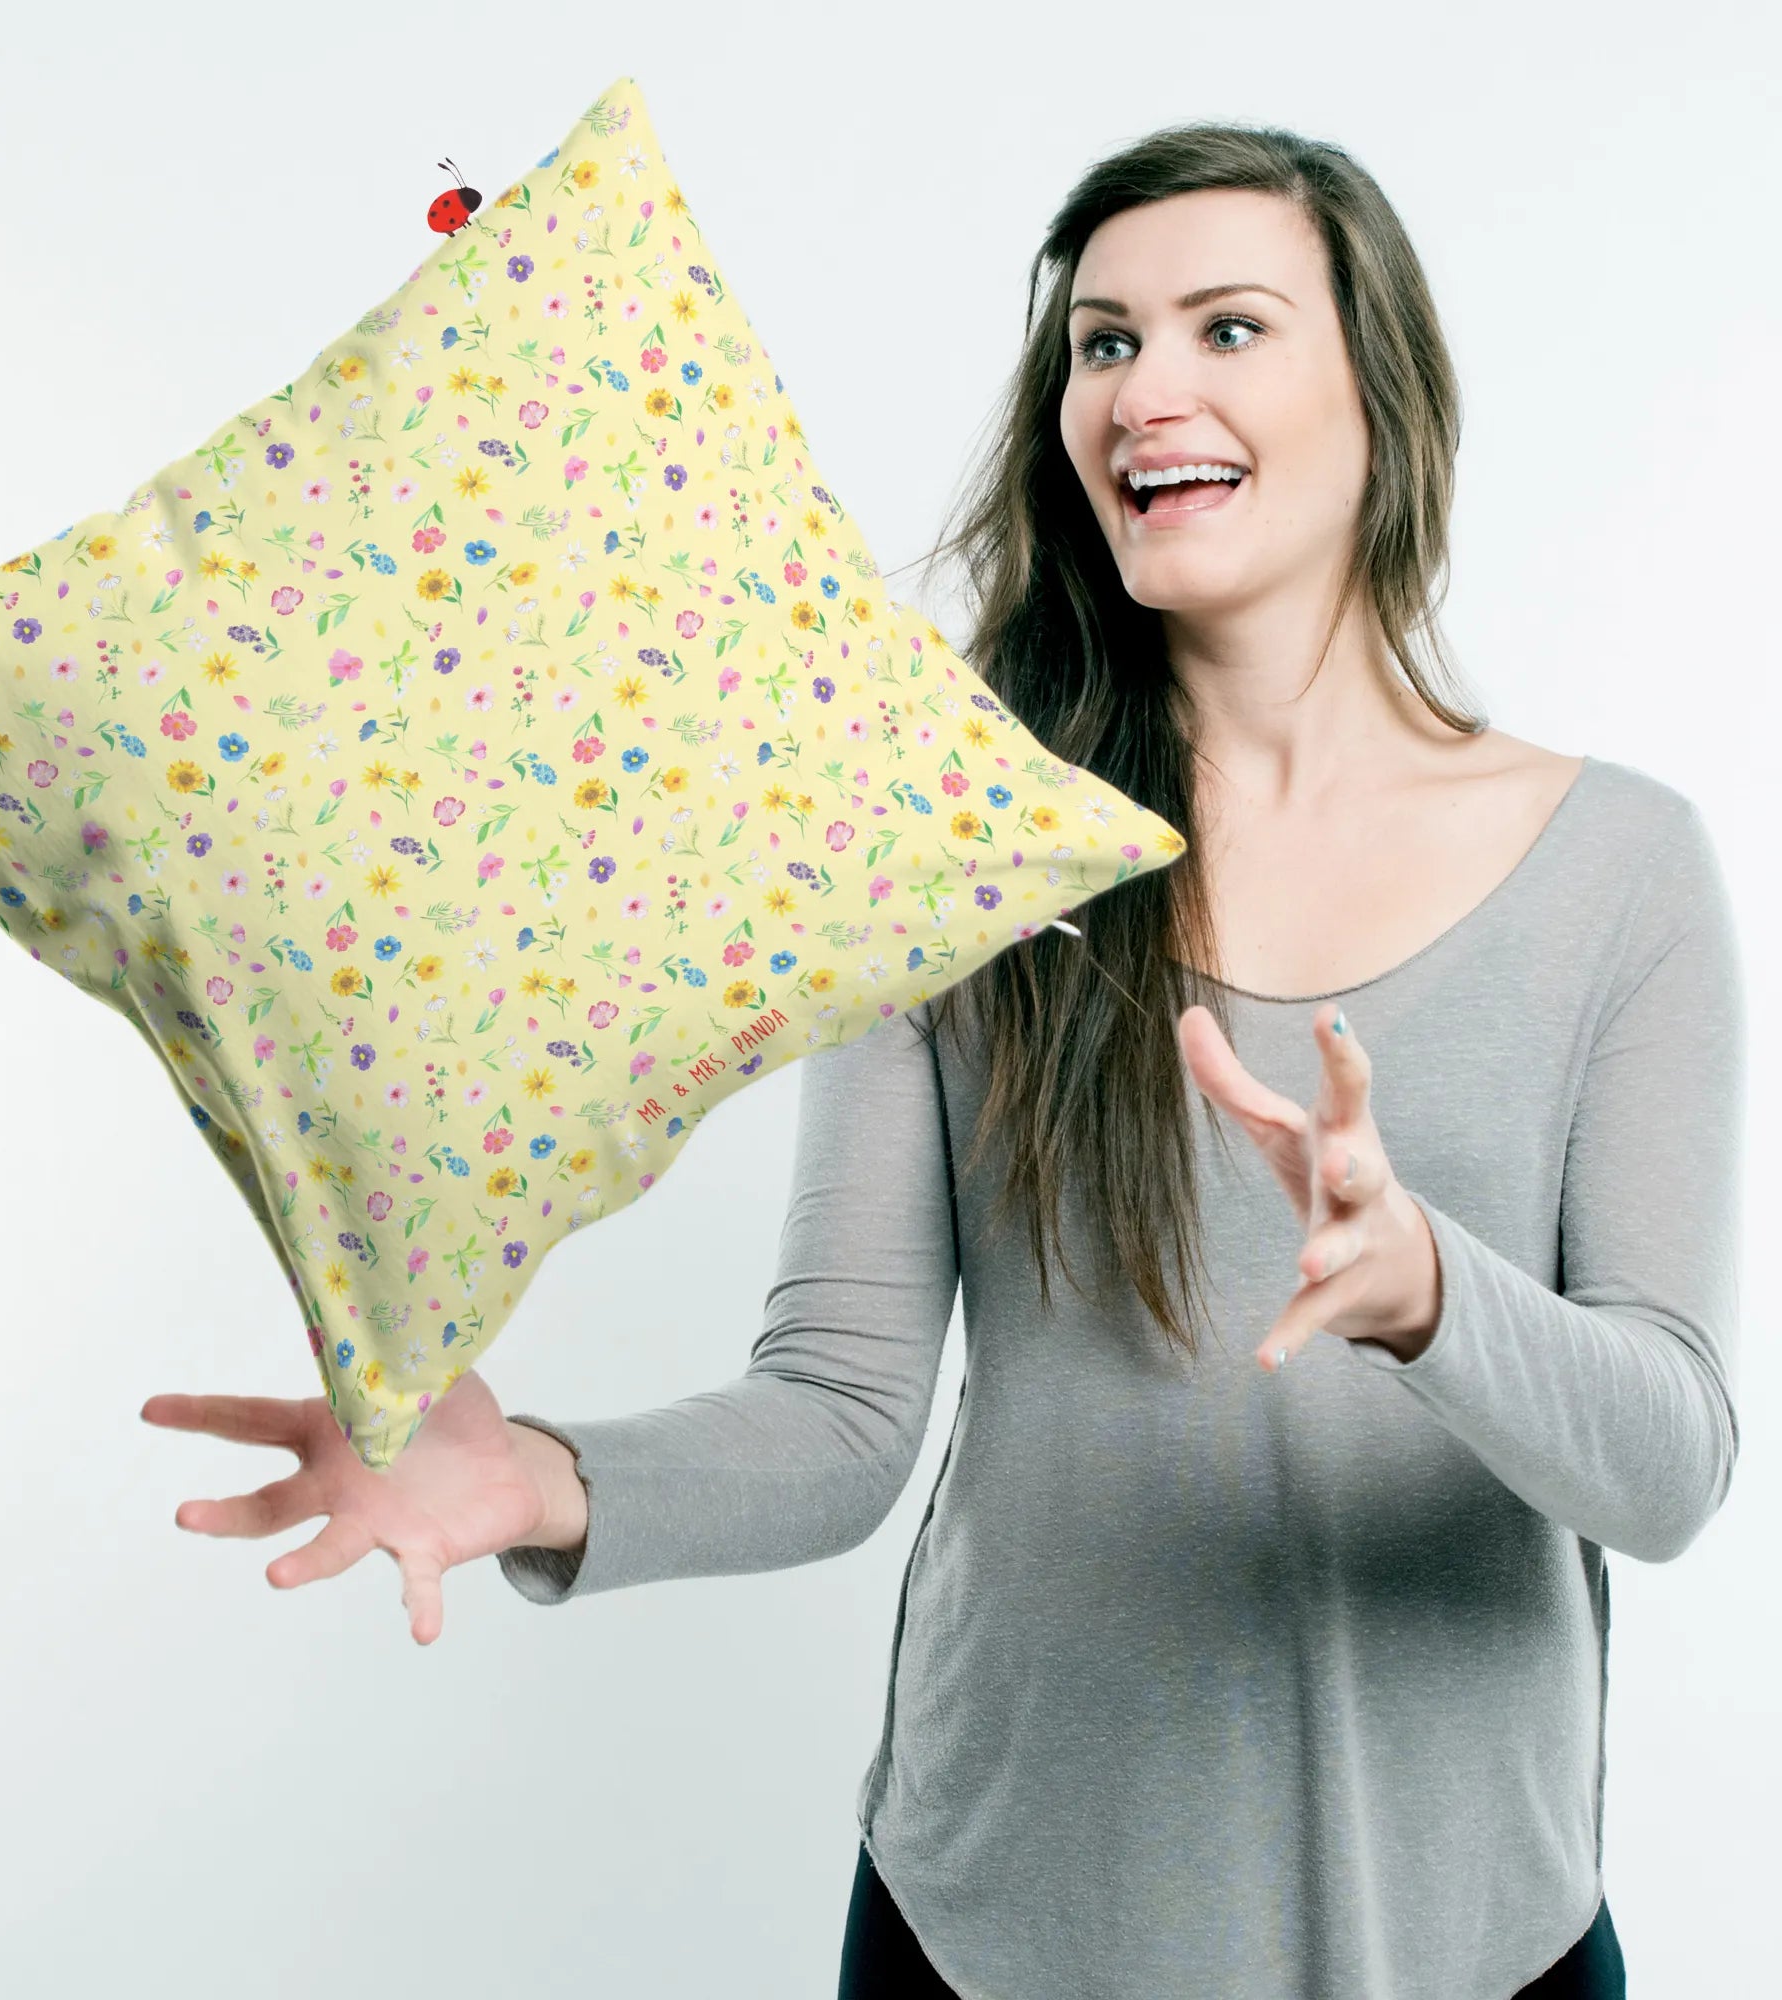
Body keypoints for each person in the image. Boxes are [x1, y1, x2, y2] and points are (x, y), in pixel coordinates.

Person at [140, 120, 1743, 1998]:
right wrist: (541, 1480)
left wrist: (1428, 1295)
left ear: (1384, 397)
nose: (1143, 388)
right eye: (1103, 341)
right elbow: (839, 1412)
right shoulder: (963, 855)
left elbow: (1669, 1467)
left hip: (1478, 1942)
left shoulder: (1620, 870)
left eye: (1228, 327)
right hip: (995, 1932)